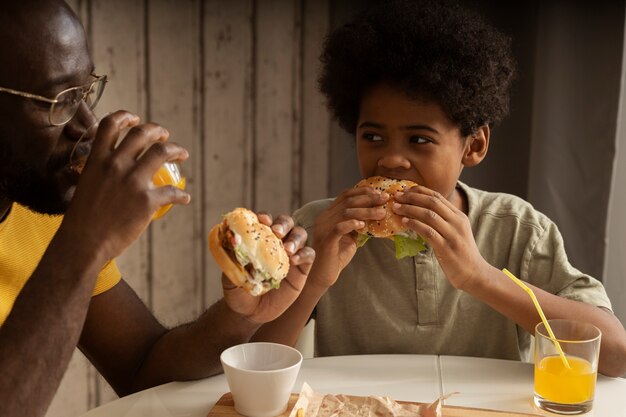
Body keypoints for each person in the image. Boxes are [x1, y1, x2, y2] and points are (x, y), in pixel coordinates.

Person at [254, 0, 626, 377]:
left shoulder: (519, 229)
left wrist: (480, 277)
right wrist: (316, 279)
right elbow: (255, 362)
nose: (391, 160)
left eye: (419, 139)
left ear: (474, 145)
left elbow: (617, 355)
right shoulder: (322, 225)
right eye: (373, 136)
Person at [0, 1, 315, 417]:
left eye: (85, 92)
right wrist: (85, 242)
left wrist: (239, 315)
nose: (88, 127)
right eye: (55, 102)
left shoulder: (38, 214)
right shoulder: (72, 236)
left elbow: (142, 367)